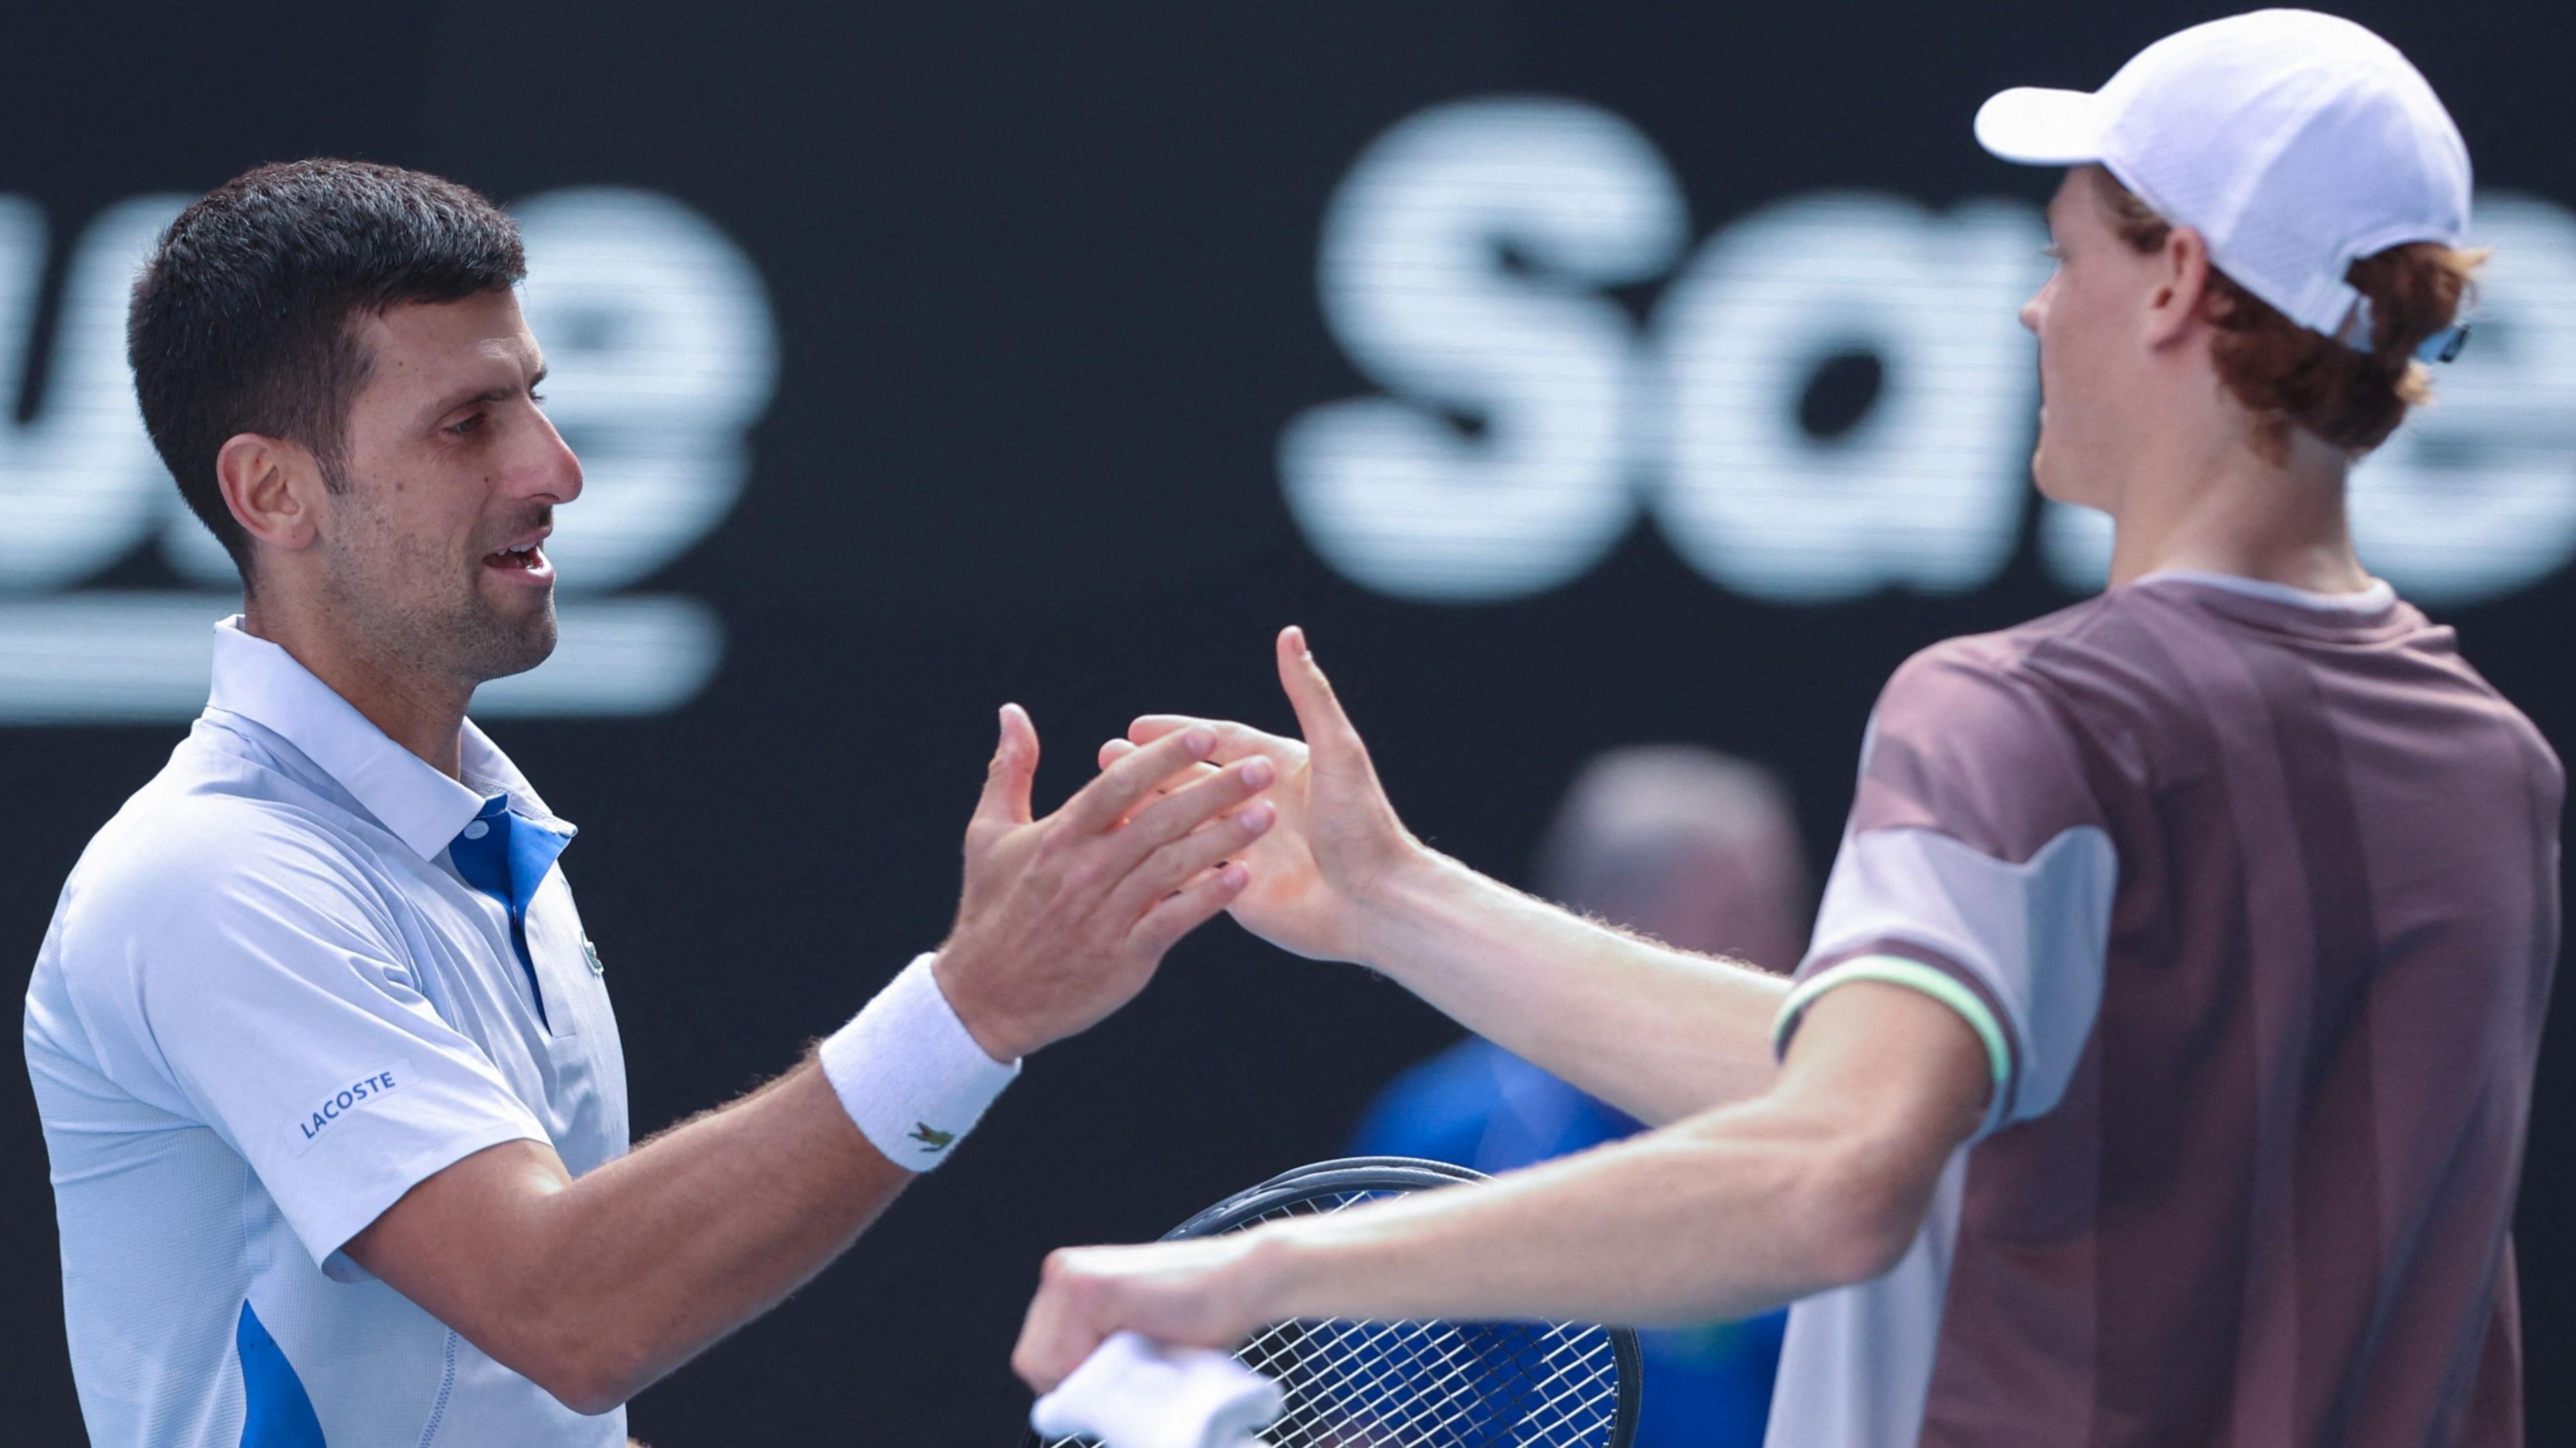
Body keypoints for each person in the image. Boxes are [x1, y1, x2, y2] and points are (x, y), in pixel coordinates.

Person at [1012, 13, 2559, 1446]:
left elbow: (1831, 1171)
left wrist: (1260, 1275)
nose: (2033, 303)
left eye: (2064, 249)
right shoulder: (2490, 766)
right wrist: (1395, 898)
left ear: (2171, 284)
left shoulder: (2023, 714)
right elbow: (1884, 1094)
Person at [22, 160, 1277, 1446]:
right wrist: (975, 1004)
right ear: (272, 491)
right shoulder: (210, 878)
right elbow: (569, 1312)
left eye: (537, 399)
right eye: (468, 423)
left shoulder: (485, 844)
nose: (556, 469)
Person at [1348, 746, 1805, 1445]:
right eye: (1739, 916)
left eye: (1786, 909)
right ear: (1616, 927)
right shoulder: (1450, 1131)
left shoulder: (1810, 1134)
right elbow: (1367, 1422)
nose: (1782, 947)